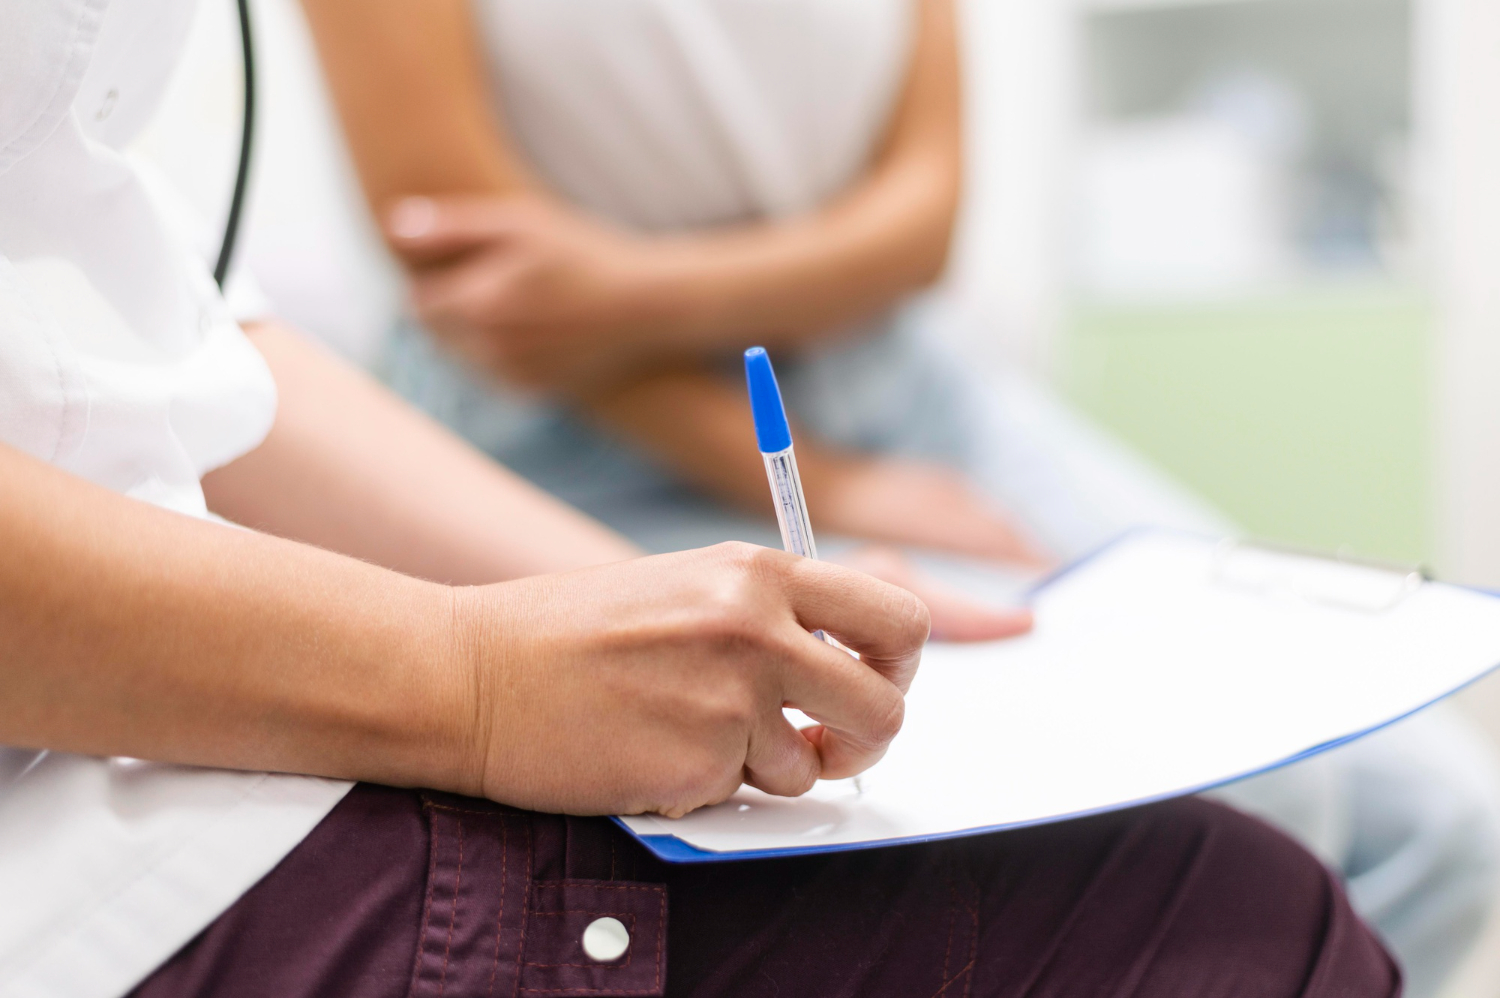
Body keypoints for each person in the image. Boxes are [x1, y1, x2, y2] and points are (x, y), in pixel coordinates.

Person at [0, 1, 1400, 996]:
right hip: (78, 841)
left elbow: (175, 358)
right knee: (1248, 913)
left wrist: (701, 614)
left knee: (1351, 800)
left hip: (881, 373)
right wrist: (474, 675)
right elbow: (494, 306)